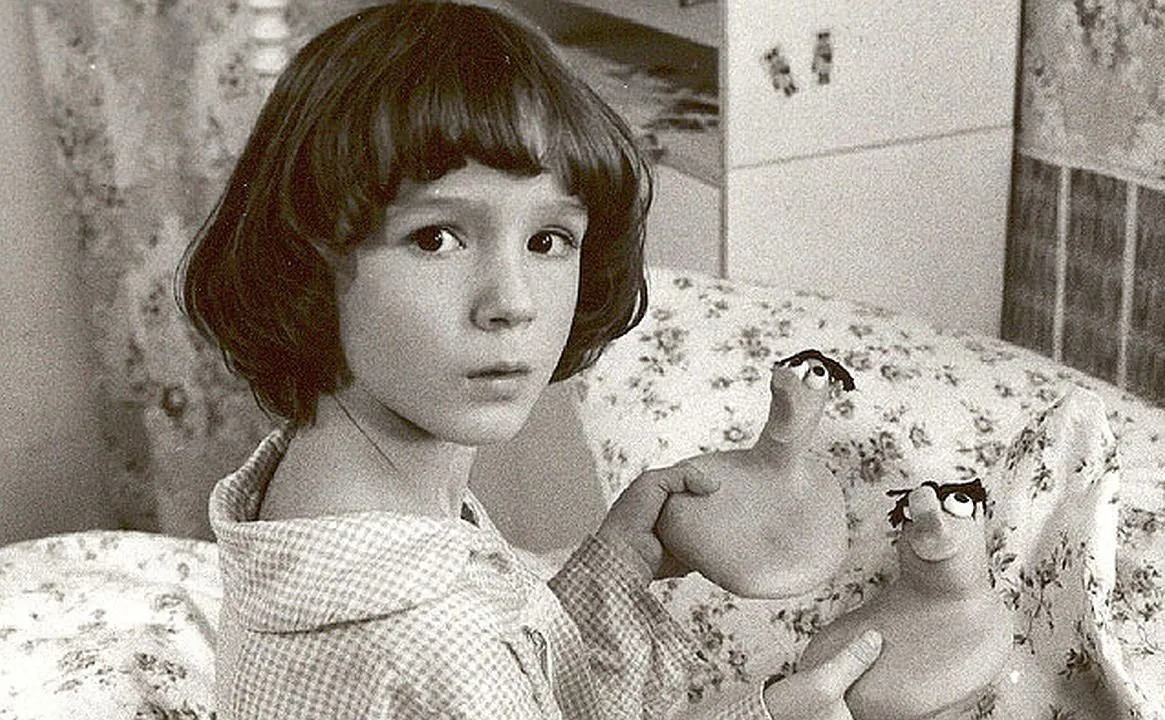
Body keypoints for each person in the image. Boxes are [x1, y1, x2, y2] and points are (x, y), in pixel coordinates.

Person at [178, 2, 881, 717]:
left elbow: (518, 670)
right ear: (305, 257)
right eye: (436, 237)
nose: (512, 303)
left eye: (547, 241)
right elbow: (463, 670)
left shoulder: (332, 495)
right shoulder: (439, 646)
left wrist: (616, 568)